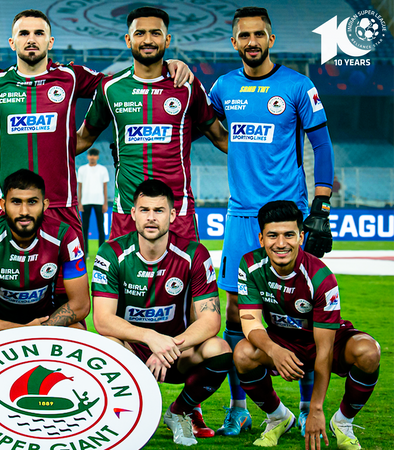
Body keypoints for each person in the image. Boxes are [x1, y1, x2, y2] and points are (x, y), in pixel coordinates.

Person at [0, 10, 197, 291]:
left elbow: (127, 81)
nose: (32, 39)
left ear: (50, 41)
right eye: (24, 33)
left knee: (69, 297)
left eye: (39, 33)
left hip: (61, 208)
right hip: (9, 209)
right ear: (12, 43)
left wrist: (167, 64)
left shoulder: (71, 78)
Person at [208, 7, 336, 436]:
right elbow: (200, 120)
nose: (252, 42)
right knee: (233, 310)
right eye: (244, 35)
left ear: (271, 39)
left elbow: (322, 145)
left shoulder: (298, 86)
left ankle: (304, 407)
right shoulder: (223, 87)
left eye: (259, 34)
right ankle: (238, 407)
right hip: (241, 213)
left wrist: (321, 206)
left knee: (297, 308)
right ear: (234, 42)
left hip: (286, 214)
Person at [91, 179, 231, 446]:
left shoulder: (194, 254)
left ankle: (179, 412)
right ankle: (124, 416)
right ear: (133, 213)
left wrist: (168, 345)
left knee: (219, 348)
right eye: (144, 210)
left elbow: (211, 320)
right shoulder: (111, 253)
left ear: (173, 215)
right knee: (107, 345)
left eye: (159, 210)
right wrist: (150, 337)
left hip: (177, 352)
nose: (151, 217)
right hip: (132, 351)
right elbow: (102, 320)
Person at [234, 200, 380, 450]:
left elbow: (324, 349)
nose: (281, 243)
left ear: (301, 237)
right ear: (261, 238)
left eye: (289, 235)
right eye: (273, 235)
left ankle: (342, 422)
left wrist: (316, 409)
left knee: (369, 352)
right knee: (242, 354)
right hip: (282, 341)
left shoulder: (321, 277)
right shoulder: (250, 265)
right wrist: (274, 350)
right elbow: (250, 322)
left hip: (326, 341)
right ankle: (278, 418)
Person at [77, 6, 228, 243]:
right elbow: (83, 139)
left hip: (178, 212)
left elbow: (221, 138)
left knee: (186, 269)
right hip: (128, 212)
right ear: (128, 40)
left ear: (167, 40)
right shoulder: (111, 88)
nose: (148, 40)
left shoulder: (187, 86)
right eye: (140, 33)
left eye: (156, 33)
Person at [0, 169, 90, 351]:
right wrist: (18, 331)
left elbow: (81, 304)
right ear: (3, 204)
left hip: (45, 322)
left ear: (45, 204)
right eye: (16, 202)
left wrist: (40, 329)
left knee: (77, 334)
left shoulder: (64, 235)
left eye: (32, 202)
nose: (24, 211)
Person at [76, 148, 109, 255]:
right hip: (85, 201)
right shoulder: (82, 169)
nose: (92, 157)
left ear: (97, 157)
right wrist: (79, 202)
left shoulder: (103, 169)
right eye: (91, 155)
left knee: (100, 227)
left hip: (99, 201)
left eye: (94, 155)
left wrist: (105, 203)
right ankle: (85, 251)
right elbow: (80, 186)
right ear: (88, 156)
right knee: (84, 227)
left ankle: (101, 252)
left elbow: (105, 187)